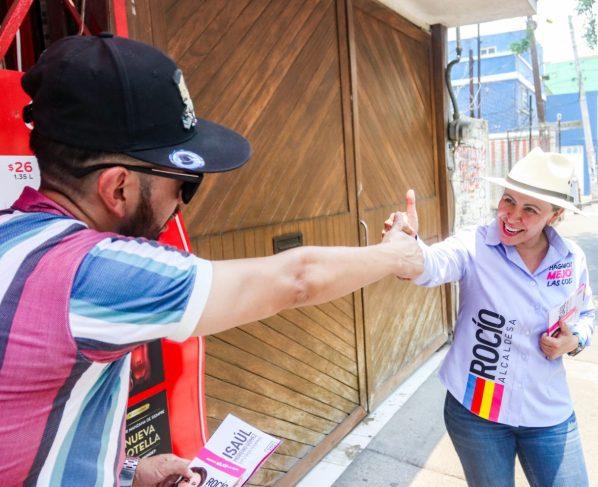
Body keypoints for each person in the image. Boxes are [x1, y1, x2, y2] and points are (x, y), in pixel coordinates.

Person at [0, 33, 423, 486]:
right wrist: (397, 254)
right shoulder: (91, 272)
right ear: (117, 187)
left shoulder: (12, 235)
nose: (181, 204)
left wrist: (124, 473)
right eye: (184, 183)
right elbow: (298, 278)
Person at [385, 147, 595, 487]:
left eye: (530, 209)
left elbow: (586, 312)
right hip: (477, 414)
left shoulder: (571, 259)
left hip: (547, 411)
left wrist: (575, 340)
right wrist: (409, 248)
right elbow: (431, 265)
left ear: (553, 216)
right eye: (508, 200)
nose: (511, 216)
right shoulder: (475, 245)